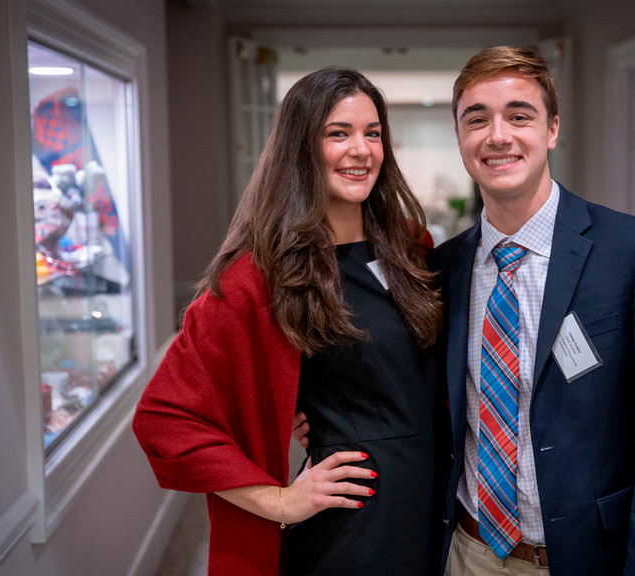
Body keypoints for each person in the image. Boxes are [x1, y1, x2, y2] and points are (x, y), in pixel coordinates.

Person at [133, 66, 444, 575]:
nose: (361, 149)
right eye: (337, 133)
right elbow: (164, 417)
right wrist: (281, 502)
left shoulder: (411, 246)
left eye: (373, 133)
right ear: (301, 146)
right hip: (354, 526)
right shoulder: (257, 276)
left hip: (436, 510)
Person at [432, 46, 635, 575]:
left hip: (587, 558)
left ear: (552, 129)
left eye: (519, 115)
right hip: (469, 553)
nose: (498, 135)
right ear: (460, 137)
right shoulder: (442, 270)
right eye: (477, 119)